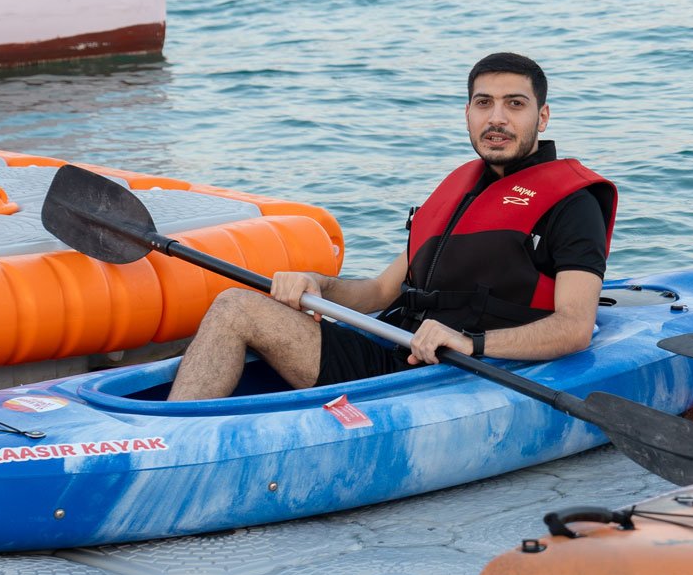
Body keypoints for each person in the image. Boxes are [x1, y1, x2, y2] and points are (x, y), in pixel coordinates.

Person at [167, 52, 613, 400]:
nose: (497, 118)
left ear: (543, 116)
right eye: (484, 103)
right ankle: (169, 435)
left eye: (515, 104)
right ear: (468, 114)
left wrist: (471, 342)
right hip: (396, 353)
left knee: (234, 309)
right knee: (236, 304)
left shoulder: (572, 204)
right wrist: (317, 284)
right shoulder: (458, 191)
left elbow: (574, 327)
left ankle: (168, 452)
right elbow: (381, 293)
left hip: (467, 373)